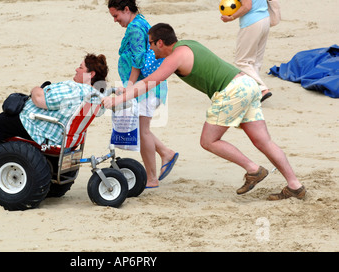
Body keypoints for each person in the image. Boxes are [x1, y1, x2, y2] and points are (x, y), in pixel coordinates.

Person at [102, 23, 307, 201]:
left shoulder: (175, 57)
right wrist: (126, 90)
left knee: (208, 141)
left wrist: (117, 100)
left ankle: (253, 170)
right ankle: (295, 186)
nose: (151, 50)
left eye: (151, 44)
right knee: (264, 141)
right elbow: (145, 80)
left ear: (161, 43)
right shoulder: (188, 45)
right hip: (247, 84)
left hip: (232, 91)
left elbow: (150, 82)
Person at [0, 53, 109, 179]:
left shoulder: (76, 89)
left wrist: (36, 88)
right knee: (5, 122)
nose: (76, 69)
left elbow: (40, 100)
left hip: (41, 129)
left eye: (80, 67)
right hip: (64, 136)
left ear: (91, 74)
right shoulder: (96, 96)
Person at [108, 0, 178, 188]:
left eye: (116, 15)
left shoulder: (135, 28)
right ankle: (166, 153)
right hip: (147, 87)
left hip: (144, 89)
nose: (115, 20)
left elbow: (138, 62)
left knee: (143, 131)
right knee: (141, 128)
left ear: (127, 9)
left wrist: (129, 88)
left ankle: (152, 178)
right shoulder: (140, 23)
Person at [222, 0, 273, 103]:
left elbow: (247, 6)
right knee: (255, 61)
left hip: (252, 22)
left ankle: (262, 88)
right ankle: (255, 92)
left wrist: (230, 17)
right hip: (265, 20)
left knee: (242, 62)